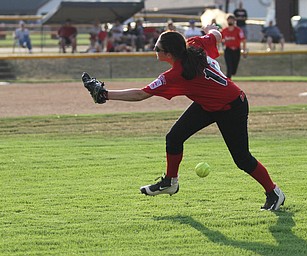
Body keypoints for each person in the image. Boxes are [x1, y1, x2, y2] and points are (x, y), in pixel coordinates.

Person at [82, 24, 286, 211]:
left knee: (242, 159)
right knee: (174, 138)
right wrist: (211, 30)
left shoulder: (175, 74)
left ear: (169, 53)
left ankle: (274, 192)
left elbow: (141, 94)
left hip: (232, 106)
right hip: (209, 103)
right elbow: (216, 35)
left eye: (157, 48)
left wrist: (104, 94)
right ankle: (170, 182)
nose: (155, 51)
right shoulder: (194, 44)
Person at [221, 14, 247, 79]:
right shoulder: (224, 31)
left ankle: (231, 75)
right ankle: (228, 83)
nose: (230, 21)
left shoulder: (238, 30)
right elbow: (219, 39)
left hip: (236, 50)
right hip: (228, 50)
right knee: (229, 67)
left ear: (234, 21)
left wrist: (244, 50)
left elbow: (243, 40)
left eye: (231, 20)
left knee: (234, 70)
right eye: (229, 20)